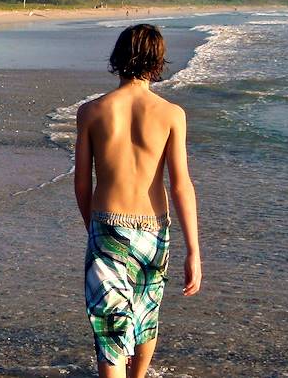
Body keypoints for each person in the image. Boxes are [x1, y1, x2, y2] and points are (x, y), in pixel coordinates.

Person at [74, 24, 202, 378]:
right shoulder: (172, 114)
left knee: (110, 322)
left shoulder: (92, 112)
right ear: (158, 61)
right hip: (154, 228)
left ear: (118, 57)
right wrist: (194, 250)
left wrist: (94, 229)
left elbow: (82, 183)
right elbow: (181, 186)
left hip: (108, 222)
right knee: (146, 311)